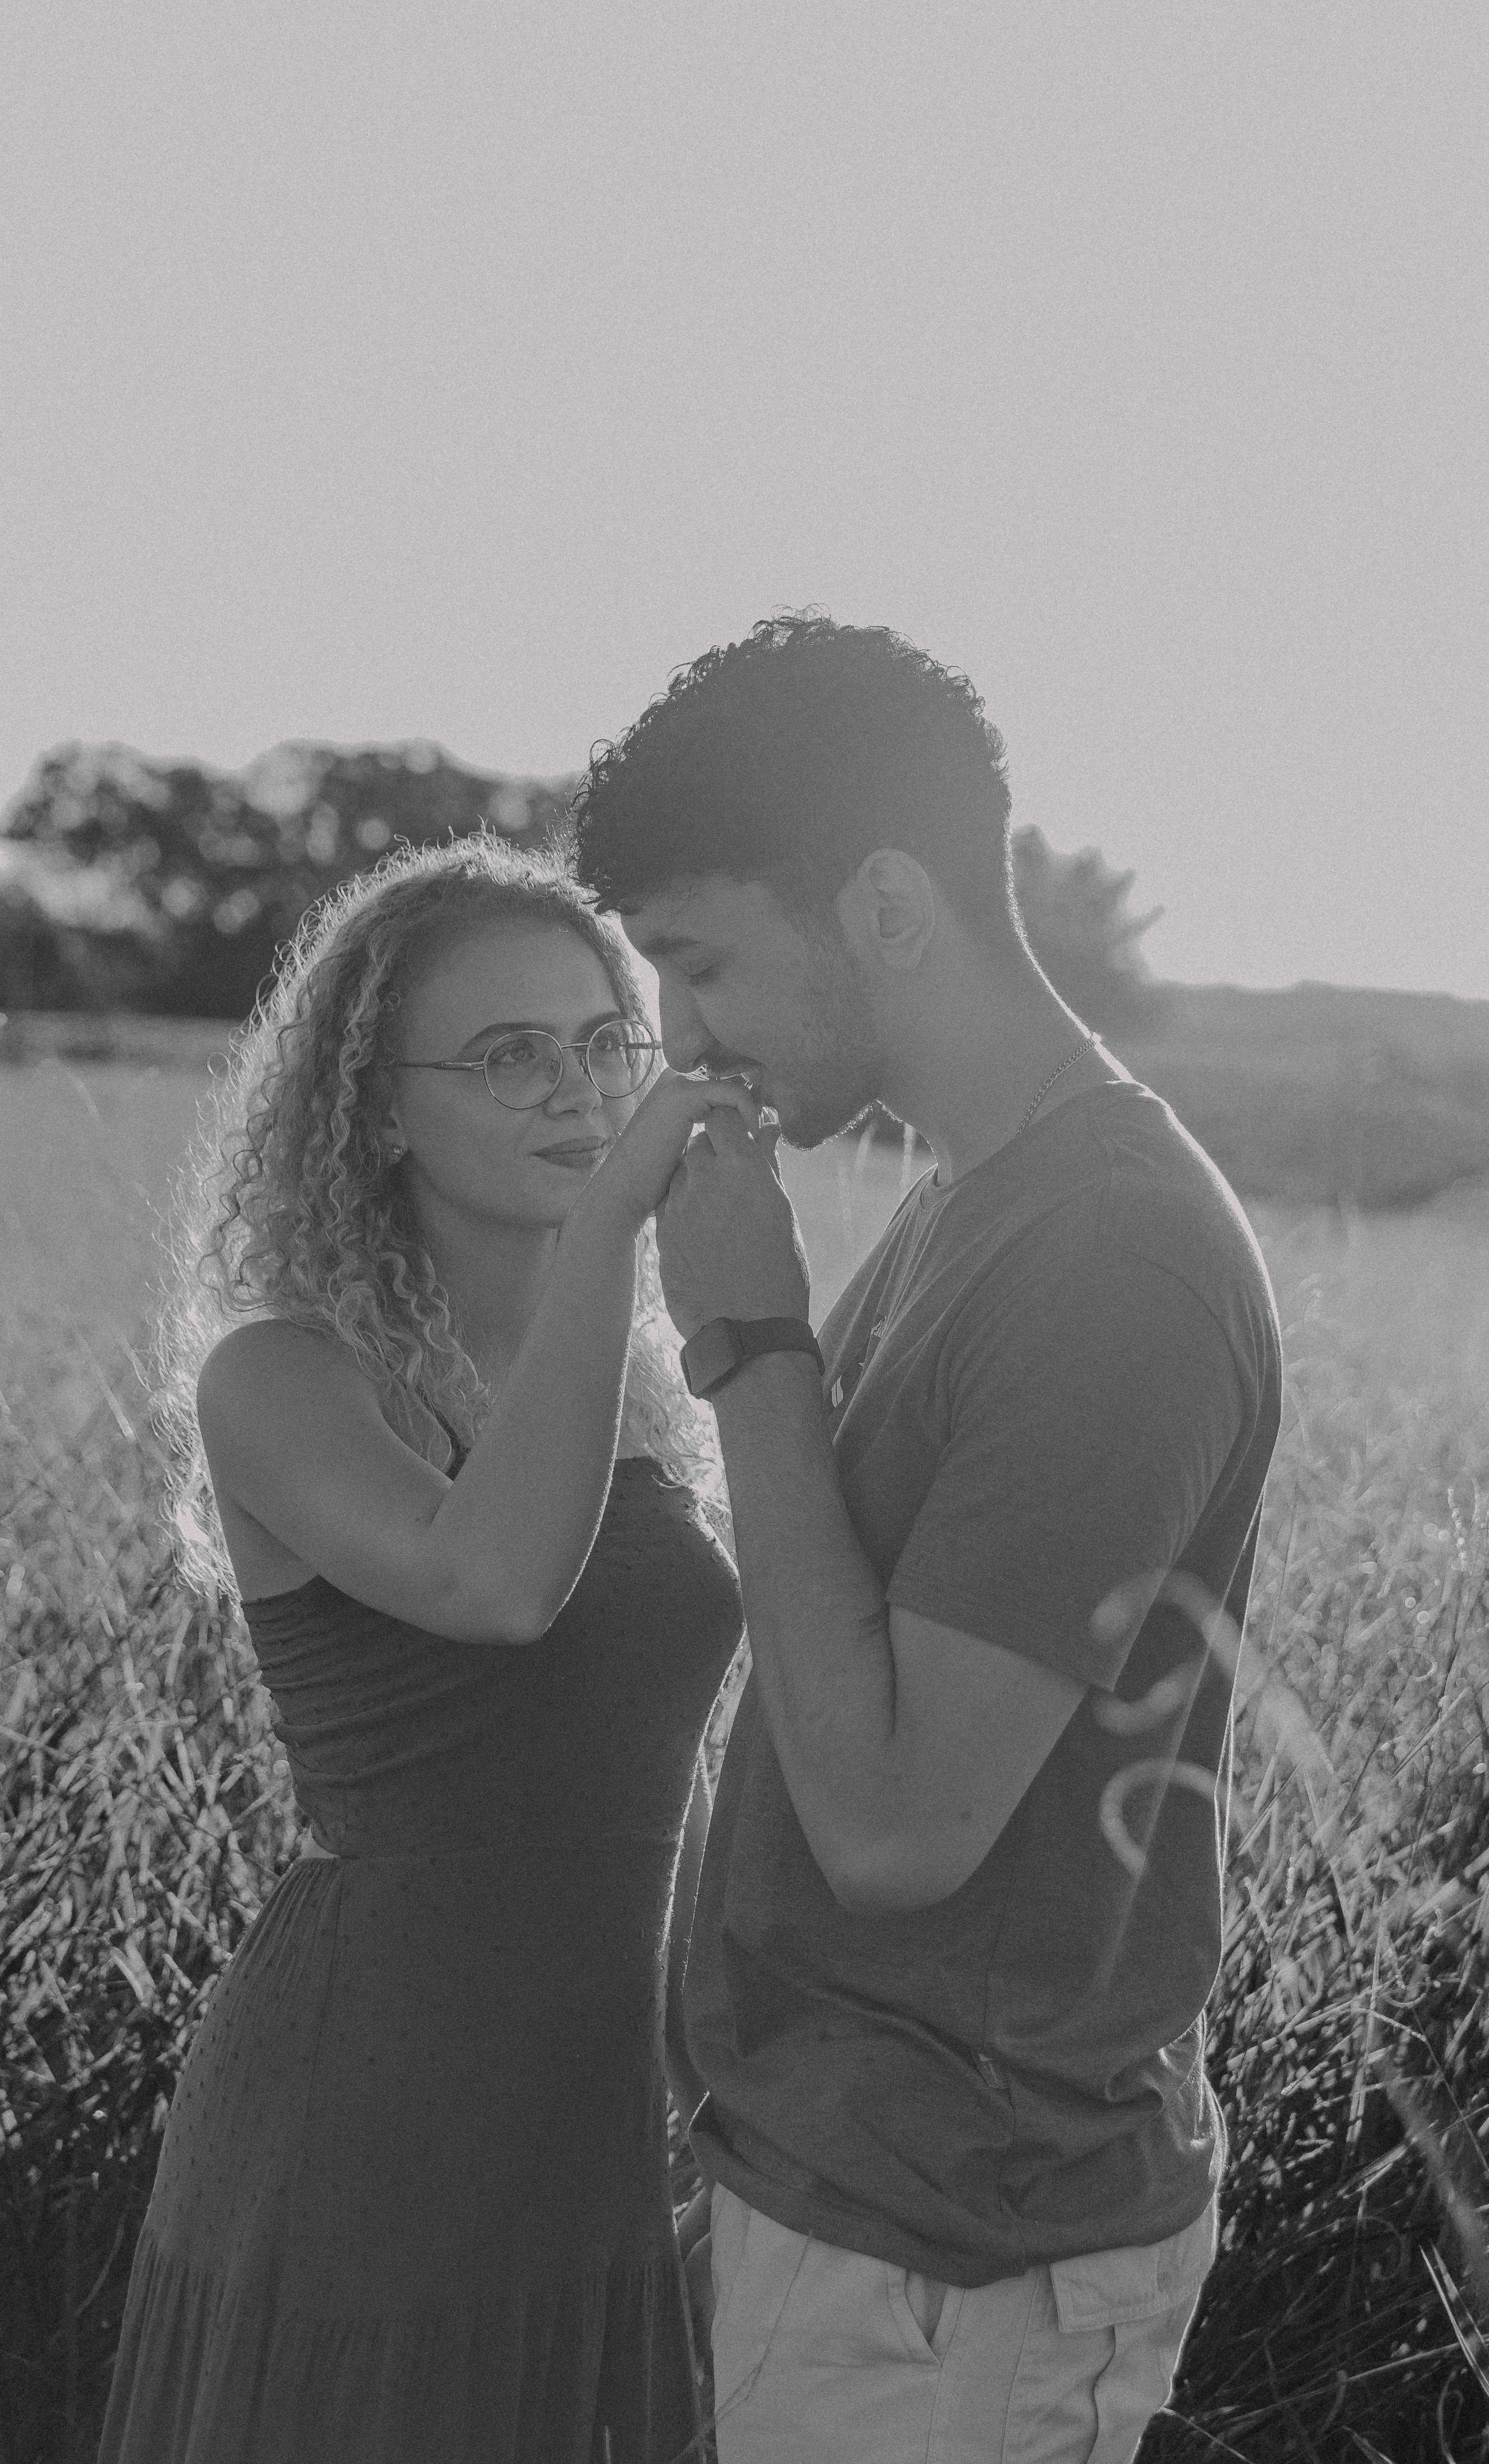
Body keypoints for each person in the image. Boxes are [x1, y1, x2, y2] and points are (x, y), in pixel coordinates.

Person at [573, 614, 1284, 2464]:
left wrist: (749, 1339)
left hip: (954, 2267)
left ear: (887, 904)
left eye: (702, 962)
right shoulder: (978, 1200)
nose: (682, 1036)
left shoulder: (1114, 1260)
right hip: (866, 2213)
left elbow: (897, 1825)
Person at [99, 834, 751, 2464]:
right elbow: (495, 1584)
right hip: (371, 2116)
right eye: (510, 1054)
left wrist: (731, 2086)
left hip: (599, 2113)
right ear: (376, 1109)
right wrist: (613, 1231)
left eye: (604, 1042)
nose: (577, 1091)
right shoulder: (280, 1375)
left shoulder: (642, 1383)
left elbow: (678, 1750)